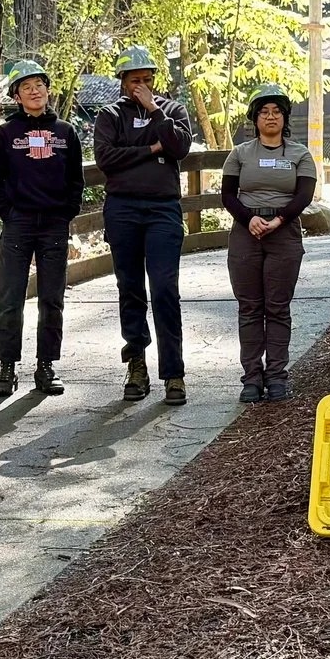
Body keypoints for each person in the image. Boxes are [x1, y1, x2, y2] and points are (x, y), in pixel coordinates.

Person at [92, 44, 194, 404]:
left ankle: (174, 373)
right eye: (135, 80)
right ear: (122, 81)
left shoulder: (171, 110)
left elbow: (179, 147)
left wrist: (154, 112)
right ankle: (136, 363)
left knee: (165, 288)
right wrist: (152, 151)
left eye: (147, 80)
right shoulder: (109, 115)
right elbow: (106, 158)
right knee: (130, 288)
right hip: (123, 209)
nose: (141, 86)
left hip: (163, 209)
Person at [0, 57, 82, 399]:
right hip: (19, 223)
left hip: (54, 224)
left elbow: (75, 182)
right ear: (16, 95)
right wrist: (8, 213)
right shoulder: (5, 134)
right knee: (10, 298)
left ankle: (46, 365)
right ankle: (7, 368)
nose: (35, 91)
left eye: (39, 85)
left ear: (48, 90)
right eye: (26, 87)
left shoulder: (66, 132)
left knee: (51, 299)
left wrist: (65, 213)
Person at [220, 83, 320, 403]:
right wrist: (248, 218)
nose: (271, 116)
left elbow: (304, 195)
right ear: (255, 118)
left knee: (277, 308)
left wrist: (278, 220)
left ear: (285, 117)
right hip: (245, 233)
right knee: (250, 307)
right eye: (264, 112)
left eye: (277, 111)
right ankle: (251, 377)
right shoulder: (240, 154)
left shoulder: (299, 154)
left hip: (284, 233)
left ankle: (277, 375)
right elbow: (227, 195)